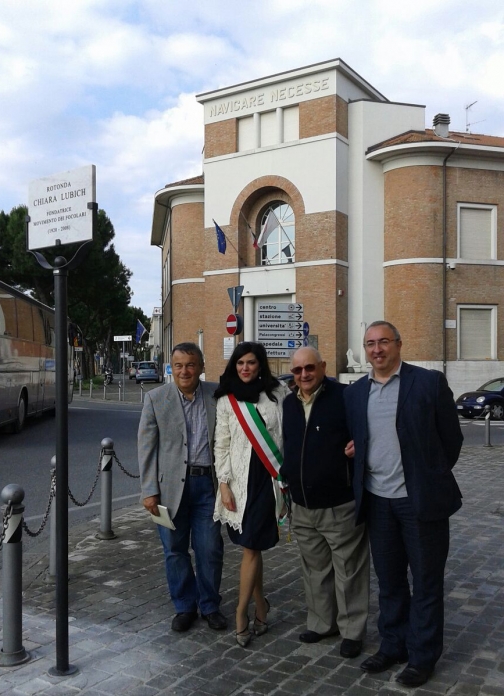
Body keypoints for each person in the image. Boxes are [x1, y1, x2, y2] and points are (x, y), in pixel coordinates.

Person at [344, 321, 463, 688]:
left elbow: (452, 440)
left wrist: (427, 475)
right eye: (369, 344)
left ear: (398, 343)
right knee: (390, 580)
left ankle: (423, 656)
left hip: (419, 503)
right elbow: (358, 440)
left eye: (383, 342)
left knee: (426, 582)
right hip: (378, 502)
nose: (376, 350)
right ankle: (393, 644)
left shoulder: (428, 383)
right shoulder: (356, 392)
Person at [280, 347, 370, 659]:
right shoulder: (289, 403)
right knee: (314, 570)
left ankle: (352, 631)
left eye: (309, 368)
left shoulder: (345, 397)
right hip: (303, 505)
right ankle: (321, 623)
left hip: (339, 503)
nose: (303, 375)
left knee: (349, 570)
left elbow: (369, 431)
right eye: (297, 370)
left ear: (323, 366)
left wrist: (361, 444)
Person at [138, 342, 226, 633]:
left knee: (209, 549)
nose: (184, 371)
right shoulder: (155, 399)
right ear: (171, 368)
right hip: (169, 491)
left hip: (207, 486)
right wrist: (149, 490)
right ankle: (185, 606)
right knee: (174, 550)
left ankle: (210, 605)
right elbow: (146, 449)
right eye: (178, 365)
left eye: (191, 364)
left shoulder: (217, 395)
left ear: (201, 367)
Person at [213, 342, 289, 647]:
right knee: (251, 547)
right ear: (235, 365)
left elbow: (286, 434)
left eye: (252, 363)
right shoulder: (226, 400)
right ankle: (260, 607)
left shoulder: (278, 394)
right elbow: (222, 444)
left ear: (261, 365)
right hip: (241, 482)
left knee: (252, 548)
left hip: (269, 479)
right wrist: (223, 483)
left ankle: (241, 612)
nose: (246, 368)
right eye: (241, 363)